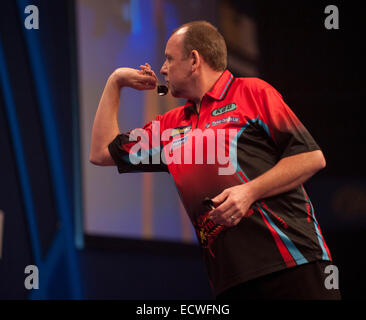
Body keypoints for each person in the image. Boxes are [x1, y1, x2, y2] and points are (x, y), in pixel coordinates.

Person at [90, 21, 341, 300]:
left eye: (169, 59)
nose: (162, 69)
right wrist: (116, 81)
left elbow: (311, 157)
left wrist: (249, 192)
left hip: (293, 264)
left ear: (194, 60)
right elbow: (101, 152)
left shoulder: (252, 92)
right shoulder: (170, 127)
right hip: (230, 280)